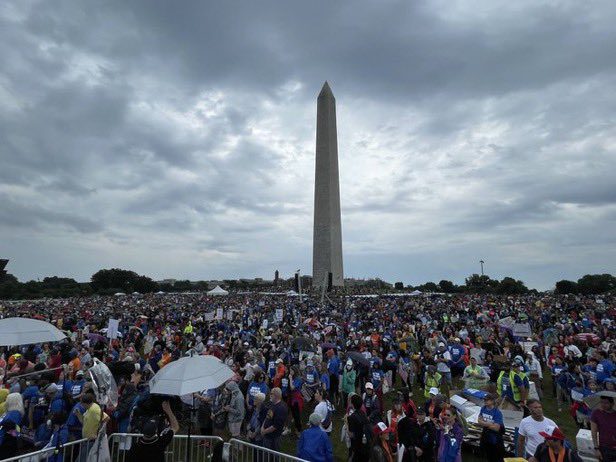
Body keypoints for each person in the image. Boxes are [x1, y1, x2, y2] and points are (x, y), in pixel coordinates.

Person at [477, 393, 505, 462]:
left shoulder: (497, 412)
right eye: (484, 400)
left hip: (495, 438)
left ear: (492, 401)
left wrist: (483, 423)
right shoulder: (483, 408)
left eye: (487, 400)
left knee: (496, 458)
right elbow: (479, 420)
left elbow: (496, 428)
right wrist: (489, 424)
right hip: (486, 436)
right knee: (487, 456)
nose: (485, 401)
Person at [590, 393, 616, 461]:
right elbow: (593, 432)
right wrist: (596, 449)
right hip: (604, 448)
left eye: (606, 403)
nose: (603, 405)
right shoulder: (596, 413)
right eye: (601, 402)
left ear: (612, 403)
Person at [261, 387, 288, 451]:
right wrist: (262, 427)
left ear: (276, 395)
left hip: (274, 438)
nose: (270, 395)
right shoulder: (272, 404)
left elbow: (276, 426)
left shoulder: (281, 408)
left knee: (273, 456)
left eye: (271, 394)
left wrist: (264, 431)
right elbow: (267, 417)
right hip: (267, 435)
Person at [347, 393, 371, 462]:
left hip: (357, 446)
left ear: (352, 404)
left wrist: (346, 423)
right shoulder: (363, 413)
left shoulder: (351, 417)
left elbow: (351, 434)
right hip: (366, 445)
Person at [0, 392, 24, 459]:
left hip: (6, 443)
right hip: (7, 441)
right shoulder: (14, 413)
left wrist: (2, 425)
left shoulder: (14, 414)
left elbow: (15, 432)